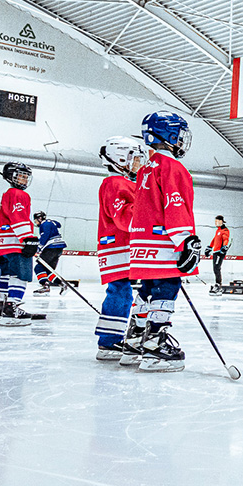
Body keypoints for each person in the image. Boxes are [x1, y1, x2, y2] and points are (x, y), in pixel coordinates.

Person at [127, 112, 201, 372]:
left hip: (141, 244)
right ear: (170, 135)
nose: (181, 140)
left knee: (146, 290)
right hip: (163, 243)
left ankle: (135, 339)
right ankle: (155, 346)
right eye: (179, 134)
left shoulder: (146, 169)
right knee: (166, 288)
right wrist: (186, 241)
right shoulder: (173, 168)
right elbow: (175, 205)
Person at [92, 136, 148, 361]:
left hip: (124, 247)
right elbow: (125, 219)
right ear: (120, 158)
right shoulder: (114, 183)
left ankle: (112, 339)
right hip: (117, 248)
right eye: (134, 158)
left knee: (123, 292)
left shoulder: (126, 182)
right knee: (120, 292)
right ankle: (108, 342)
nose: (138, 164)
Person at [0, 162, 40, 326]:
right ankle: (12, 311)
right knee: (20, 276)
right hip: (16, 243)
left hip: (3, 245)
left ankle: (0, 310)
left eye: (26, 177)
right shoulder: (19, 195)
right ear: (10, 176)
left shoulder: (7, 194)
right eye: (21, 176)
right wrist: (28, 238)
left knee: (6, 276)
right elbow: (18, 217)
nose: (25, 180)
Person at [32, 212, 67, 294]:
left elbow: (45, 236)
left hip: (52, 248)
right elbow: (59, 224)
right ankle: (61, 284)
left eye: (36, 220)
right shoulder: (50, 222)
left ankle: (45, 286)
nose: (36, 223)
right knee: (47, 270)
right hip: (59, 248)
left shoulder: (44, 224)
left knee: (39, 268)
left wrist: (39, 248)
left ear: (40, 219)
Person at [204, 215, 231, 290]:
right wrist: (209, 247)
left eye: (218, 221)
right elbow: (214, 239)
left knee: (217, 268)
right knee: (215, 268)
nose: (216, 223)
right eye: (215, 221)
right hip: (215, 251)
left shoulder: (225, 230)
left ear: (222, 221)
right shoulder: (218, 230)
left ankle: (218, 284)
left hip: (220, 252)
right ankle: (217, 283)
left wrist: (224, 246)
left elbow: (226, 239)